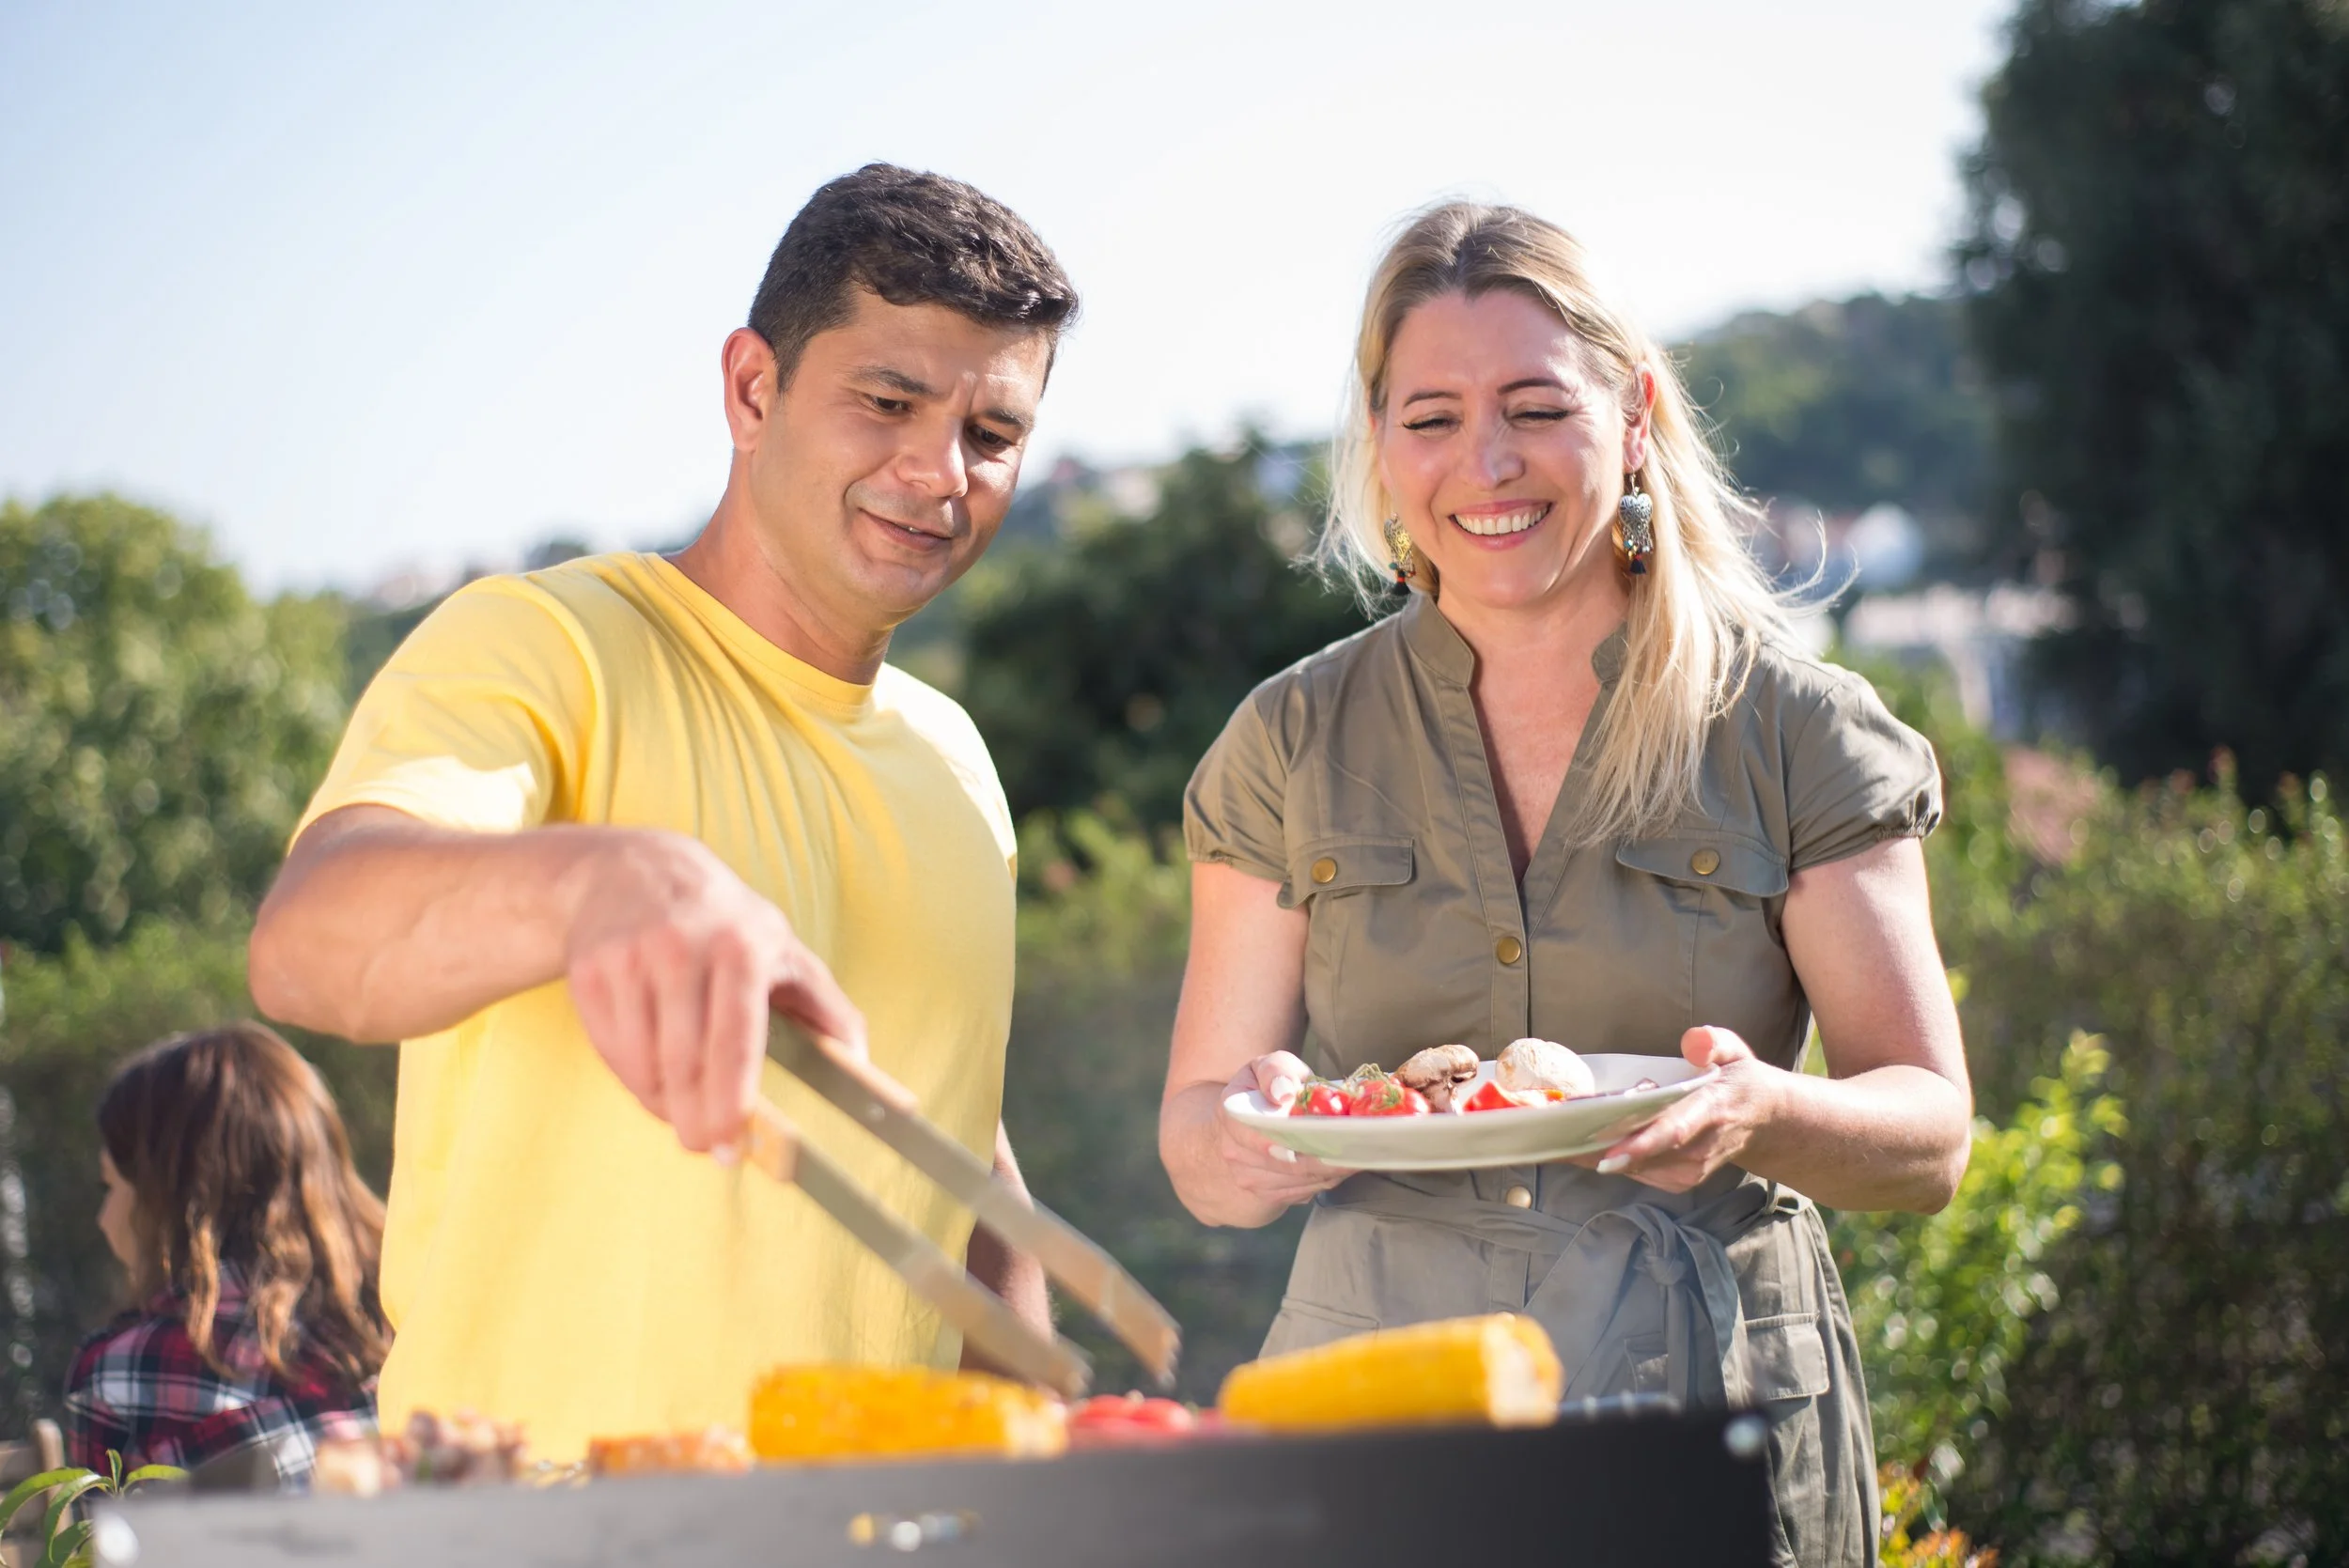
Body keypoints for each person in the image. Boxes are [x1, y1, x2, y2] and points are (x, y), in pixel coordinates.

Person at [1159, 203, 1972, 1567]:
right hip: (1380, 1419)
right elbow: (1196, 1138)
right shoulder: (1289, 741)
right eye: (1430, 418)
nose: (1487, 462)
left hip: (1705, 1413)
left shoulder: (1793, 730)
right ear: (1378, 444)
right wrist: (1246, 1141)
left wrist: (1758, 1109)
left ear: (1634, 411)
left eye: (1536, 406)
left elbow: (1930, 1134)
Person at [247, 164, 1078, 1460]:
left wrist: (1060, 1459)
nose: (940, 472)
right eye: (888, 401)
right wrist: (601, 882)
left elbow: (958, 1160)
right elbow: (309, 945)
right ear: (754, 389)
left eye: (992, 433)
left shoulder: (957, 761)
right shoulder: (543, 645)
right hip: (533, 1530)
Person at [64, 1022, 387, 1487]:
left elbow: (101, 1551)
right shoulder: (401, 1322)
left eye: (111, 1186)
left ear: (165, 1200)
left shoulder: (123, 1371)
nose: (103, 1217)